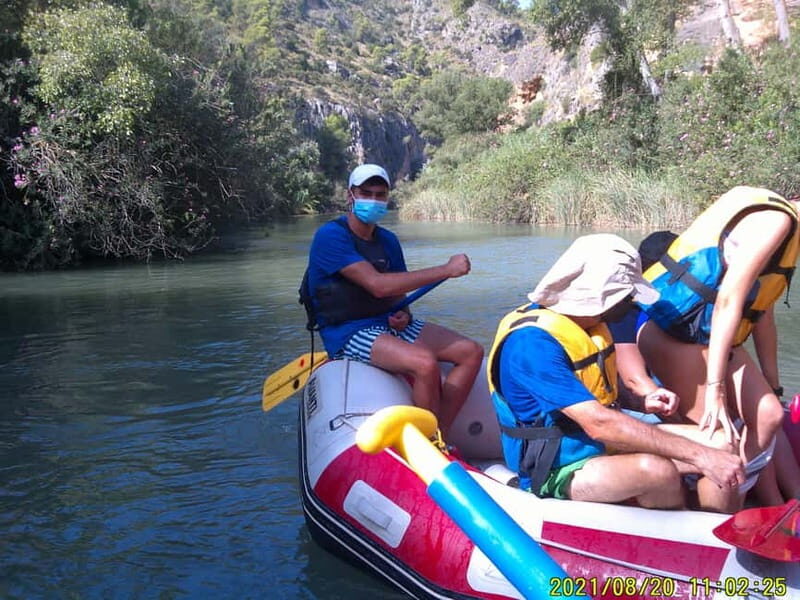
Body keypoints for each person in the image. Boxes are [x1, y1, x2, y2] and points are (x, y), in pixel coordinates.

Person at [486, 234, 744, 509]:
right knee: (655, 471)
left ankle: (711, 527)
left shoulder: (587, 323)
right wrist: (699, 456)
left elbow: (592, 388)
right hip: (557, 466)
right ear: (600, 295)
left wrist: (640, 402)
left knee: (721, 443)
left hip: (604, 441)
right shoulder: (531, 345)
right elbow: (598, 424)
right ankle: (674, 530)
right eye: (628, 295)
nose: (633, 301)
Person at [637, 186, 800, 506]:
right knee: (722, 439)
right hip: (673, 332)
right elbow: (727, 300)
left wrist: (773, 384)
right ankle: (717, 515)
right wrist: (716, 391)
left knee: (769, 414)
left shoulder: (787, 228)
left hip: (708, 334)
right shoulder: (776, 220)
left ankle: (752, 501)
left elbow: (762, 311)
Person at [303, 164, 484, 437]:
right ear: (351, 195)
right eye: (366, 193)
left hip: (385, 322)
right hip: (347, 331)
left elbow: (398, 292)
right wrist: (446, 269)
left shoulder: (388, 240)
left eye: (380, 195)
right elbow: (378, 286)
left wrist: (405, 314)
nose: (373, 200)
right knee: (424, 363)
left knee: (471, 352)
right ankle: (429, 438)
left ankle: (440, 433)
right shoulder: (330, 236)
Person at [609, 231, 742, 512]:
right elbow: (635, 380)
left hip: (639, 406)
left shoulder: (659, 307)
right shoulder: (627, 312)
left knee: (727, 434)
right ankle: (706, 516)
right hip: (623, 416)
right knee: (719, 442)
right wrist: (659, 401)